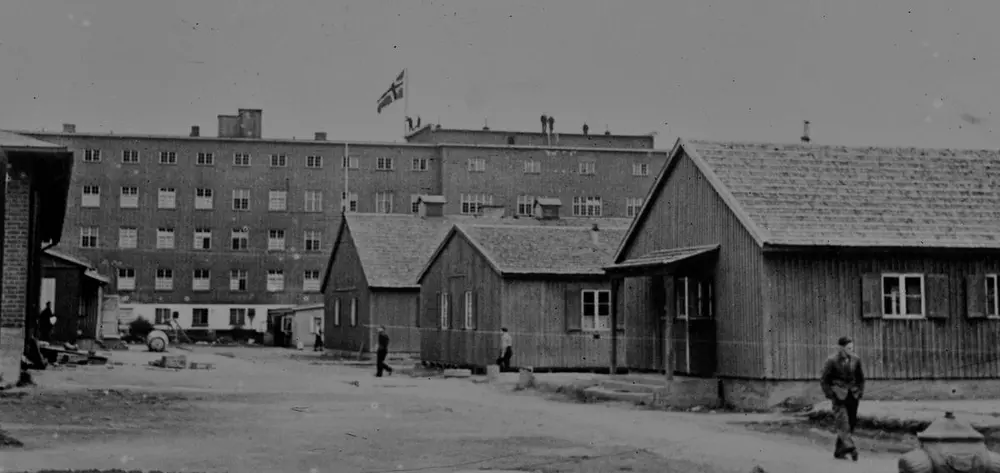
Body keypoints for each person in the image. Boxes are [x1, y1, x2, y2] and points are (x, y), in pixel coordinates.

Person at [820, 336, 865, 462]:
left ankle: (839, 451)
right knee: (842, 423)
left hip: (853, 395)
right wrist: (831, 394)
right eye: (848, 348)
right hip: (838, 396)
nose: (851, 350)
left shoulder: (856, 360)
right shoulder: (832, 361)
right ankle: (851, 449)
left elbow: (860, 378)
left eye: (852, 347)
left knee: (850, 424)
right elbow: (824, 380)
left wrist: (860, 392)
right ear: (841, 348)